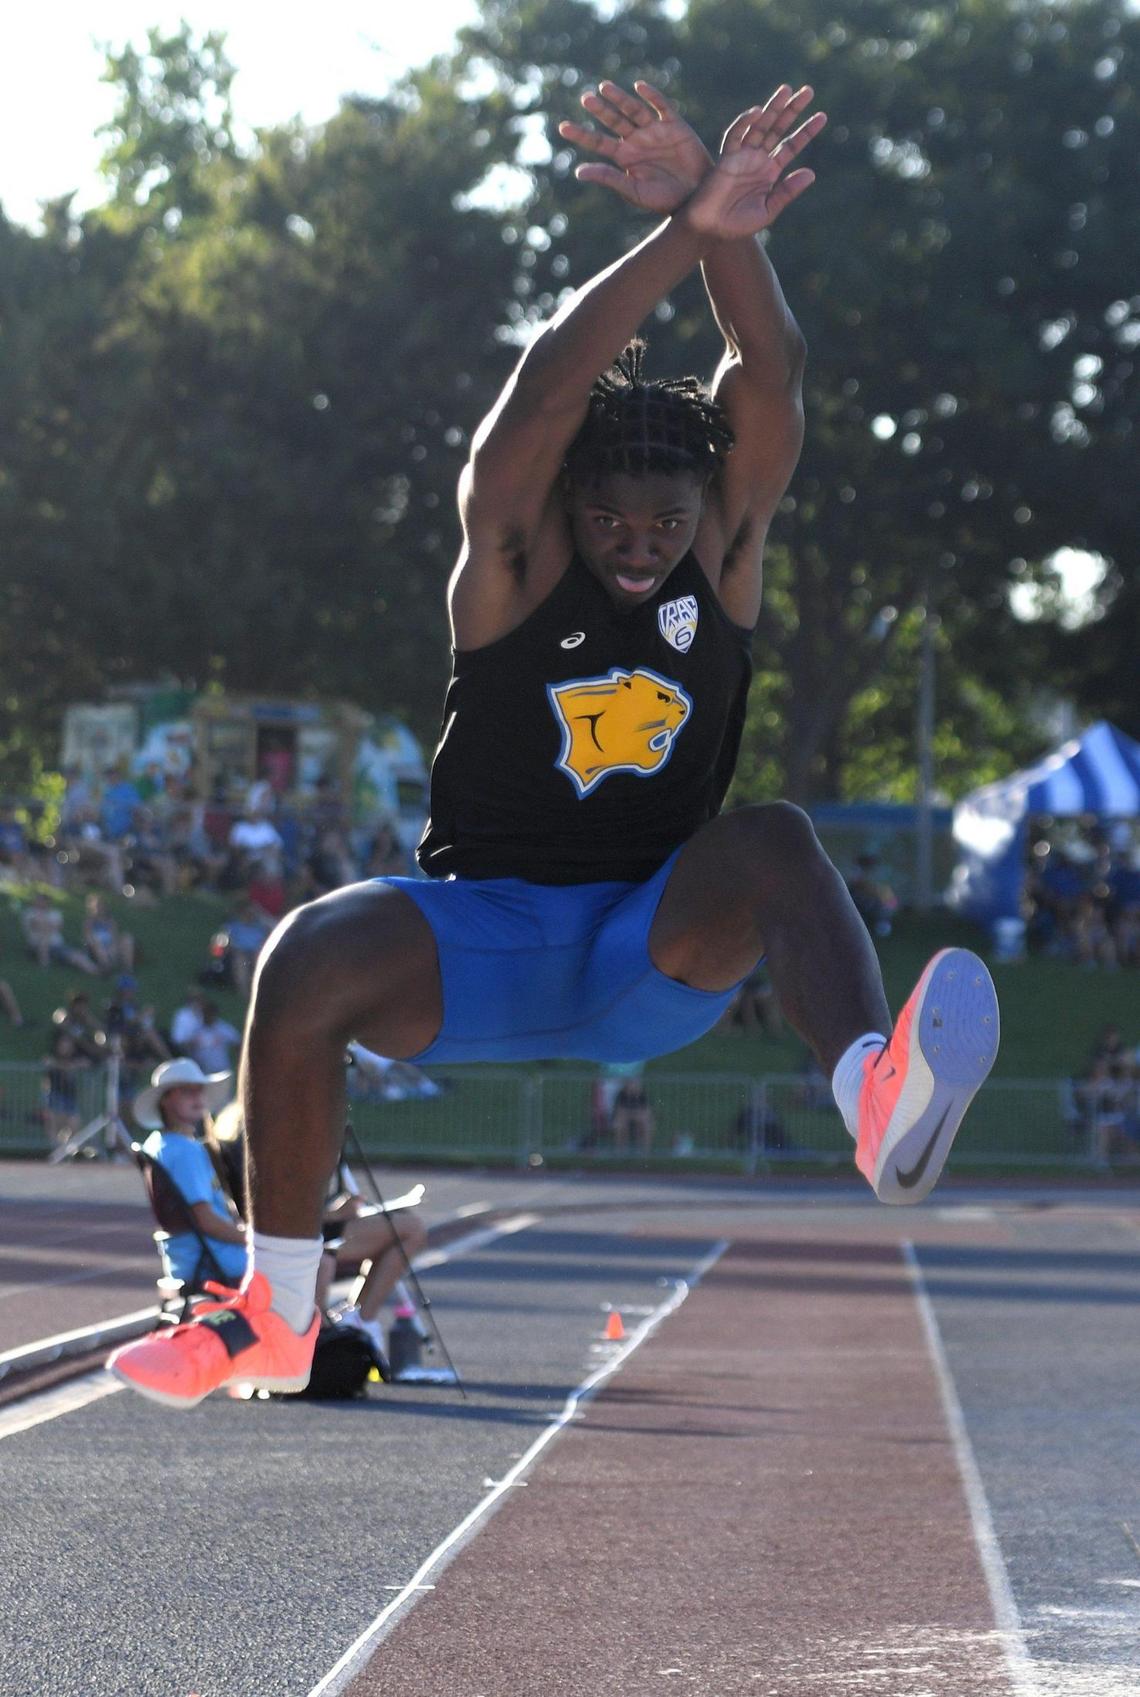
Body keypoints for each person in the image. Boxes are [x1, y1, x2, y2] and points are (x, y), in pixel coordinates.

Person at [109, 76, 1000, 1409]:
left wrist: (734, 235)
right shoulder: (512, 567)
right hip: (488, 934)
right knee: (302, 956)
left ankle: (875, 1100)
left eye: (665, 517)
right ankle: (277, 1313)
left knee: (774, 842)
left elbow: (772, 376)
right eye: (611, 520)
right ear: (567, 508)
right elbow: (544, 387)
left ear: (713, 508)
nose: (637, 541)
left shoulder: (729, 556)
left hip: (651, 937)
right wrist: (679, 236)